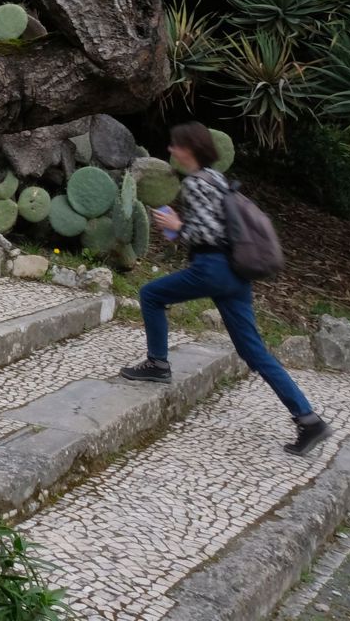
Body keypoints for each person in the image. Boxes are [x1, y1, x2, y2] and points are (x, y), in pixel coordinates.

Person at [119, 121, 330, 457]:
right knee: (253, 351)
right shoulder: (218, 180)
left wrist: (177, 226)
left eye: (176, 146)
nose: (171, 151)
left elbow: (205, 233)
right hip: (236, 271)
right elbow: (220, 228)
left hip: (212, 267)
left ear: (189, 150)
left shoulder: (195, 185)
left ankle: (158, 364)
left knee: (151, 295)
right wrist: (183, 227)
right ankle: (308, 419)